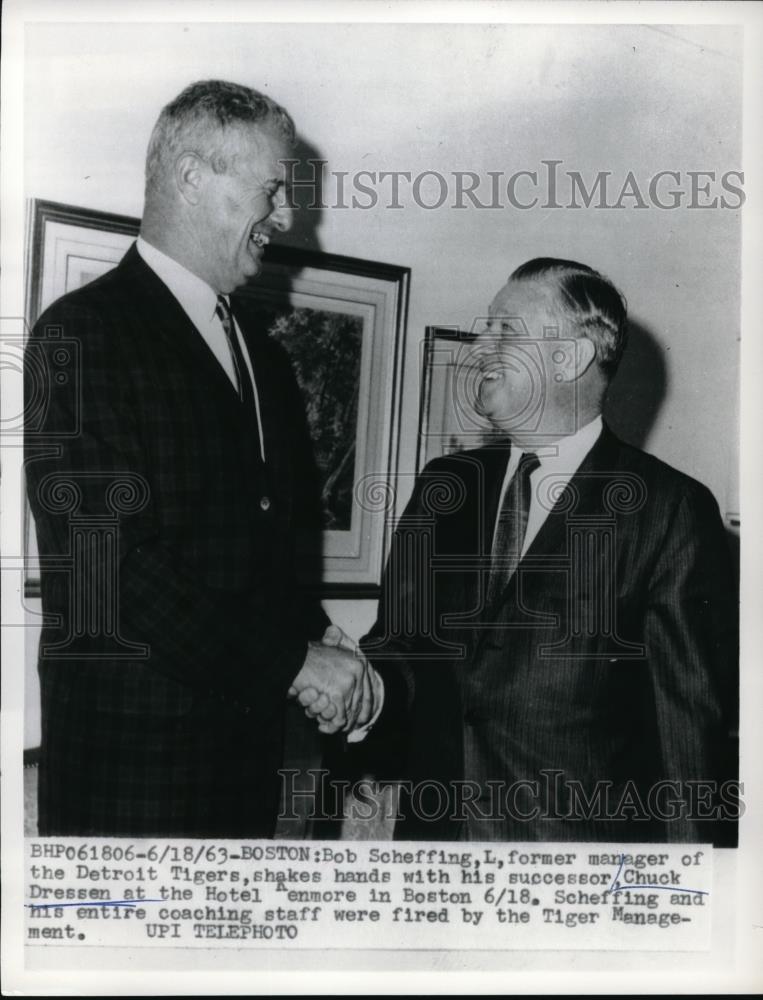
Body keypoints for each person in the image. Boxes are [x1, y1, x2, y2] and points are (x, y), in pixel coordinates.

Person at [24, 79, 376, 838]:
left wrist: (323, 646)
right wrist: (295, 663)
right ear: (190, 176)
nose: (284, 217)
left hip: (241, 769)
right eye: (273, 188)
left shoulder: (263, 359)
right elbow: (110, 565)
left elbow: (254, 558)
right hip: (130, 778)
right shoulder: (82, 334)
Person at [322, 257, 738, 842]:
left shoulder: (668, 510)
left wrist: (685, 909)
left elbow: (687, 739)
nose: (479, 346)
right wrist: (364, 691)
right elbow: (402, 650)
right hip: (436, 864)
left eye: (505, 331)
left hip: (579, 885)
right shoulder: (446, 485)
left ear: (570, 358)